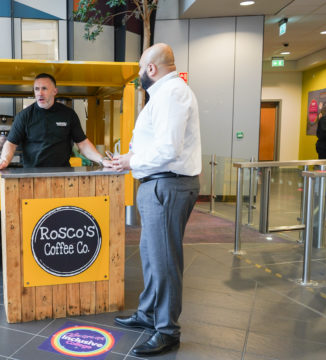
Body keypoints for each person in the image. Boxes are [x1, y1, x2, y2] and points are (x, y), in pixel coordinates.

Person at [111, 43, 201, 356]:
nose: (138, 75)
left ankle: (167, 331)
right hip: (157, 184)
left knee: (164, 263)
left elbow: (168, 150)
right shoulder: (163, 94)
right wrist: (129, 157)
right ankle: (148, 314)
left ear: (151, 69)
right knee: (150, 255)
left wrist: (130, 162)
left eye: (139, 69)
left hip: (168, 185)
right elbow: (154, 144)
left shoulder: (173, 93)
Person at [0, 73, 111, 170]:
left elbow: (83, 144)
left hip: (62, 174)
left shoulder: (68, 114)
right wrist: (4, 160)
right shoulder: (24, 116)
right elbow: (11, 143)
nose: (40, 93)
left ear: (54, 91)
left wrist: (102, 160)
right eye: (37, 89)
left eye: (44, 89)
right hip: (31, 176)